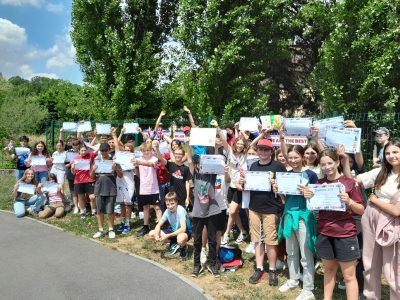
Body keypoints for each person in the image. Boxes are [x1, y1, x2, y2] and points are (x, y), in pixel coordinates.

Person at [304, 149, 364, 300]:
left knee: (349, 276)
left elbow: (362, 210)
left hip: (345, 234)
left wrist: (349, 202)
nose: (327, 167)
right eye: (323, 164)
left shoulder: (350, 183)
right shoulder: (318, 184)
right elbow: (315, 208)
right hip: (324, 232)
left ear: (337, 162)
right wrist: (309, 197)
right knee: (329, 271)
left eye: (330, 163)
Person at [355, 138, 400, 300]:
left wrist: (374, 200)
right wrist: (345, 160)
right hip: (371, 219)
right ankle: (370, 296)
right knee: (369, 263)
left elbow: (397, 211)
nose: (391, 156)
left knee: (394, 268)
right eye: (388, 153)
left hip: (392, 224)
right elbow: (354, 180)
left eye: (395, 152)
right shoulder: (381, 172)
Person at [239, 138, 287, 286]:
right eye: (260, 149)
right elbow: (246, 186)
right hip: (254, 207)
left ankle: (272, 269)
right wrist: (242, 183)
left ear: (271, 151)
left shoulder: (278, 166)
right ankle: (259, 268)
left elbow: (284, 188)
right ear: (257, 151)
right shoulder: (253, 166)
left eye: (266, 149)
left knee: (270, 240)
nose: (263, 152)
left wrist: (278, 188)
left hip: (271, 208)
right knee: (257, 239)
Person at [275, 144, 318, 300]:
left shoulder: (311, 175)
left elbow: (316, 198)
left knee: (306, 254)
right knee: (291, 251)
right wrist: (278, 191)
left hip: (304, 216)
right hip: (288, 215)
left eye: (296, 157)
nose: (293, 160)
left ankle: (308, 288)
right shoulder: (285, 175)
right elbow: (285, 199)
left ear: (302, 157)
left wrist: (308, 193)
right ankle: (293, 279)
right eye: (290, 157)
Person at [188, 146, 222, 278]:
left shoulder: (212, 175)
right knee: (197, 240)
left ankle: (212, 264)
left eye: (204, 163)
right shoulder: (195, 175)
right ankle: (197, 265)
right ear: (196, 165)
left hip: (212, 211)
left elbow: (215, 160)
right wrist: (188, 145)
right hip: (197, 212)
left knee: (212, 240)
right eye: (199, 163)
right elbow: (190, 161)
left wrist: (214, 144)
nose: (202, 166)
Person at [90, 143, 123, 239]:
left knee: (110, 210)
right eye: (102, 151)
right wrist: (93, 170)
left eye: (105, 150)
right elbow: (92, 177)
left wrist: (115, 168)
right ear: (100, 151)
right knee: (99, 210)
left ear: (109, 150)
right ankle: (100, 229)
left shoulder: (114, 161)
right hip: (99, 188)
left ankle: (111, 229)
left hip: (110, 188)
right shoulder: (96, 161)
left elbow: (120, 175)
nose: (104, 152)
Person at [149, 192, 192, 259]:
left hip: (184, 232)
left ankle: (183, 247)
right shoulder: (167, 211)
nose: (170, 206)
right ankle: (174, 242)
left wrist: (167, 235)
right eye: (167, 204)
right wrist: (157, 235)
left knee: (180, 239)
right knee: (152, 234)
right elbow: (158, 225)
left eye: (172, 204)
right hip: (173, 231)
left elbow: (183, 229)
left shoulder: (180, 210)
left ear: (176, 202)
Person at [135, 142, 162, 237]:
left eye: (148, 150)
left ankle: (159, 226)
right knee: (145, 207)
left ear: (151, 151)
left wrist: (139, 163)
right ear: (141, 151)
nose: (146, 152)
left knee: (157, 207)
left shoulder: (154, 158)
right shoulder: (138, 159)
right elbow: (137, 172)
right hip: (143, 187)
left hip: (154, 188)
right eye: (144, 150)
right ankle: (145, 226)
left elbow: (150, 164)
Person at [112, 128, 136, 234]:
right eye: (125, 149)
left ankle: (127, 224)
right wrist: (114, 134)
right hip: (119, 180)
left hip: (129, 182)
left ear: (131, 151)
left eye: (128, 150)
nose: (126, 151)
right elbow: (117, 147)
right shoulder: (121, 157)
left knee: (128, 204)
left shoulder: (133, 157)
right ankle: (122, 222)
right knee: (121, 203)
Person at [154, 141, 191, 208]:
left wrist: (187, 198)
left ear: (183, 156)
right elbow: (161, 158)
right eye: (176, 154)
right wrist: (157, 148)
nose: (177, 155)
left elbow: (187, 183)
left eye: (179, 154)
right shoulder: (170, 165)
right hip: (172, 195)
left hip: (183, 196)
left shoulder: (186, 168)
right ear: (174, 154)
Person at [71, 144, 96, 218]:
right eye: (82, 150)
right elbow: (73, 173)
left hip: (89, 180)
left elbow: (97, 149)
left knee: (92, 197)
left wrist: (88, 145)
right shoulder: (75, 159)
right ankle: (82, 211)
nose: (84, 152)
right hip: (79, 181)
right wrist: (72, 168)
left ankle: (94, 211)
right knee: (81, 197)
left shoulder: (90, 155)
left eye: (85, 150)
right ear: (79, 151)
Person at [65, 139, 80, 214]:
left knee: (80, 189)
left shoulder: (82, 152)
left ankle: (80, 204)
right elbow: (66, 165)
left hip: (80, 173)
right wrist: (71, 163)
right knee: (72, 190)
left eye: (77, 144)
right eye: (74, 144)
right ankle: (75, 205)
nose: (75, 146)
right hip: (70, 172)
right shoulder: (68, 152)